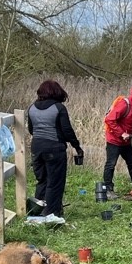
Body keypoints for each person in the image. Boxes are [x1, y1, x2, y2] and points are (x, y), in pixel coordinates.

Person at [25, 79, 83, 226]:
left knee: (42, 180)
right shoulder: (59, 108)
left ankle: (36, 215)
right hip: (54, 148)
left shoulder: (32, 108)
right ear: (57, 92)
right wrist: (77, 147)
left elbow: (31, 130)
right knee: (55, 183)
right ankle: (52, 215)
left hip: (36, 147)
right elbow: (67, 130)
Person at [102, 86, 132, 199]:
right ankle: (108, 190)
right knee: (111, 165)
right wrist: (121, 133)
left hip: (127, 141)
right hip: (114, 140)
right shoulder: (125, 105)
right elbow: (109, 119)